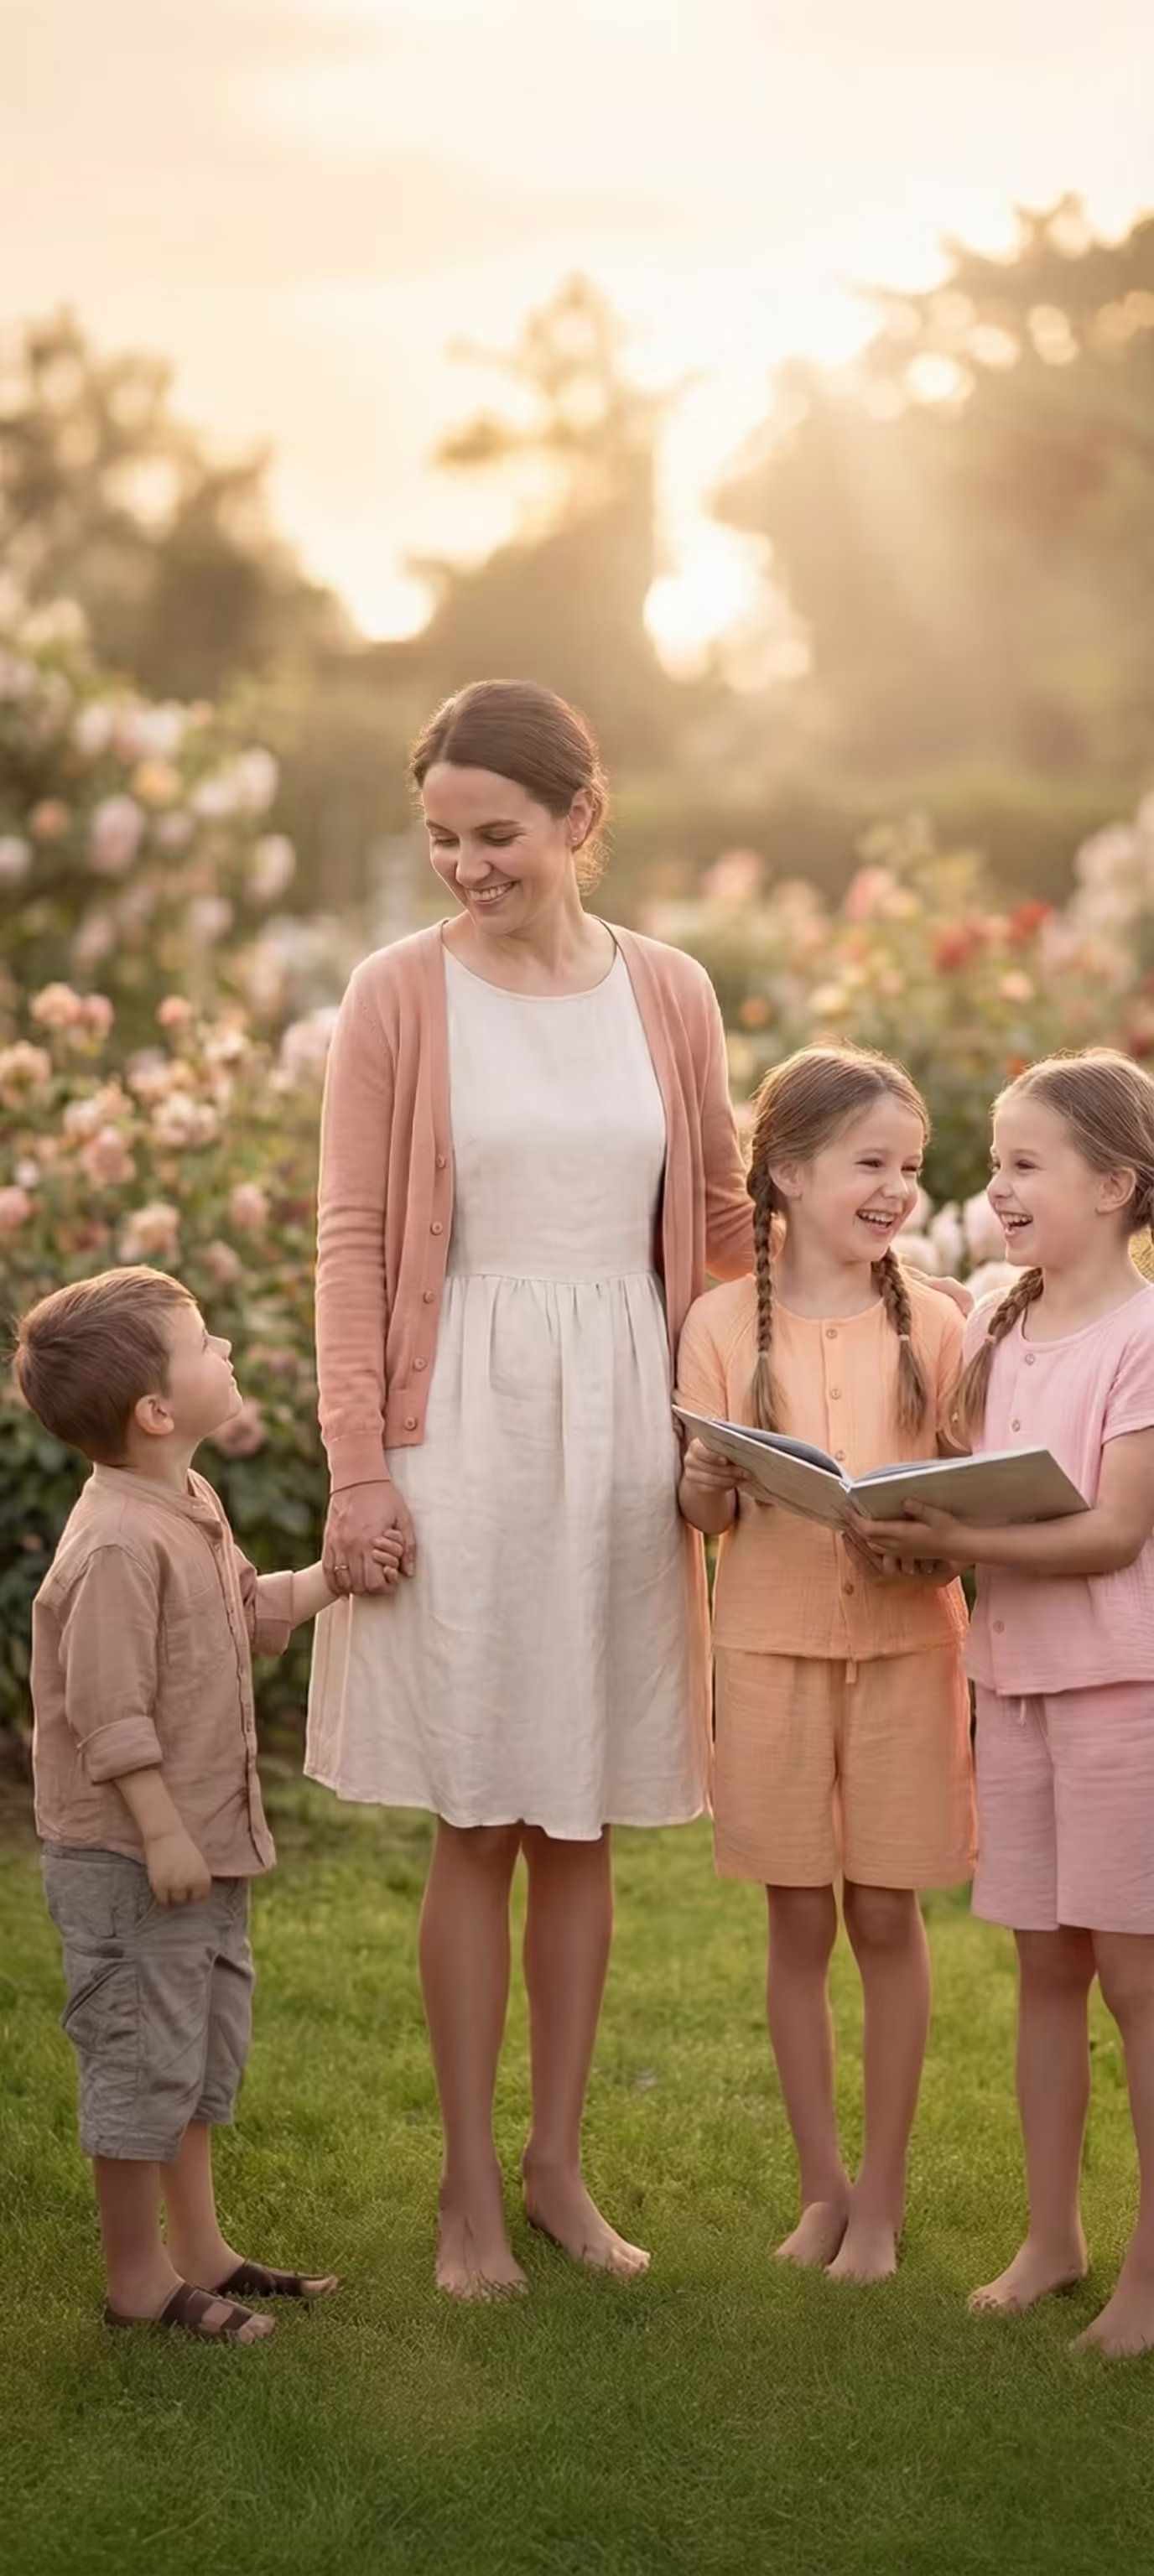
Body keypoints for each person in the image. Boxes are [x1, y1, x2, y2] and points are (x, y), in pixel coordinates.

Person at [304, 678, 758, 2298]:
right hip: (464, 1425)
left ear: (579, 818)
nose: (466, 865)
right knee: (480, 1814)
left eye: (494, 834)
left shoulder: (672, 988)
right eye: (441, 837)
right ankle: (463, 2198)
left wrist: (728, 1422)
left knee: (583, 1815)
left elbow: (715, 1219)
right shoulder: (396, 994)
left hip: (625, 1421)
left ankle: (559, 2168)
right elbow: (355, 1239)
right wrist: (360, 1467)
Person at [16, 1266, 402, 2345]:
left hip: (196, 1850)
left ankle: (202, 2251)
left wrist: (330, 1580)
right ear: (154, 1409)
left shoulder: (186, 1503)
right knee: (141, 2059)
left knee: (193, 2051)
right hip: (133, 1856)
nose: (226, 1350)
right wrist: (161, 1828)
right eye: (205, 1343)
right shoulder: (115, 1545)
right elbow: (107, 1712)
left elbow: (237, 1608)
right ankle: (138, 2284)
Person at [854, 1050, 1154, 2357]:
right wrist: (910, 1534)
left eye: (1027, 1164)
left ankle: (1150, 2274)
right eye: (998, 1163)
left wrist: (958, 1539)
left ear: (1119, 1185)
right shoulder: (995, 1326)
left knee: (1138, 1985)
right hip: (1016, 1687)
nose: (1000, 1189)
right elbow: (986, 1492)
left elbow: (1107, 1535)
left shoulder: (1146, 1340)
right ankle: (1052, 2237)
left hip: (1124, 1696)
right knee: (1046, 1967)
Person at [675, 1046, 975, 2283]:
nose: (897, 1186)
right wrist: (704, 1480)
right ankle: (822, 2192)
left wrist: (936, 1532)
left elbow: (970, 1494)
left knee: (888, 1919)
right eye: (871, 1163)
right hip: (767, 1654)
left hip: (911, 1654)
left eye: (909, 1165)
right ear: (789, 1174)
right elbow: (702, 1519)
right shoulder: (711, 1323)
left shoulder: (942, 1322)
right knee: (796, 1923)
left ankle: (886, 2206)